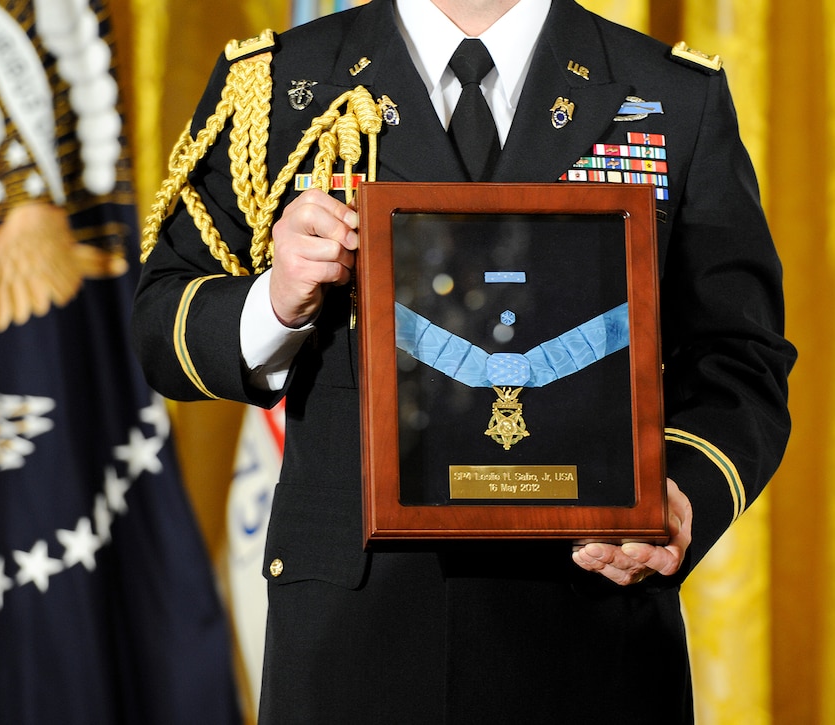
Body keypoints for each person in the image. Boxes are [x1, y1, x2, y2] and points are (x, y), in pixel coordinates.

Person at [132, 0, 796, 722]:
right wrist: (275, 300)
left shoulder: (670, 95)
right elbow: (160, 330)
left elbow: (738, 356)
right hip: (354, 645)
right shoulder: (280, 84)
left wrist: (683, 490)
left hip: (589, 634)